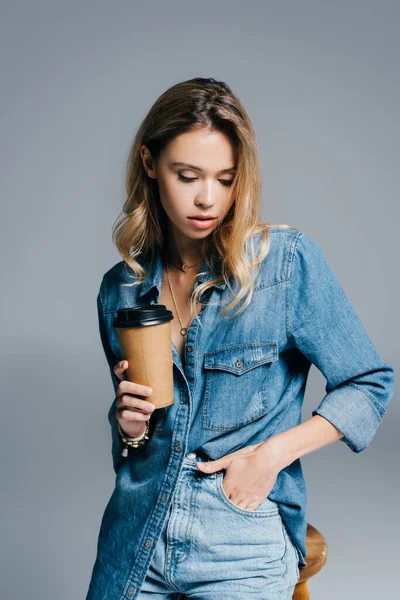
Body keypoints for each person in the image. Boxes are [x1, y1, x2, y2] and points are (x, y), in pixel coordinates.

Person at [86, 77, 395, 600]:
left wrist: (272, 455)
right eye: (187, 176)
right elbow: (133, 453)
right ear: (148, 163)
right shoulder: (121, 290)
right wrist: (128, 425)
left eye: (225, 179)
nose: (208, 198)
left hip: (239, 532)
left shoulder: (285, 265)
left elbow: (369, 385)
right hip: (137, 530)